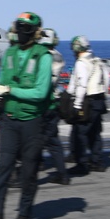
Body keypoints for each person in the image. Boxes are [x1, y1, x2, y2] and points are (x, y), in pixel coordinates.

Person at [0, 12, 51, 219]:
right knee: (3, 169)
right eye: (19, 28)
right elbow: (2, 81)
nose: (21, 33)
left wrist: (9, 90)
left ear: (35, 33)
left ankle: (24, 213)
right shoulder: (9, 53)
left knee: (28, 172)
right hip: (9, 120)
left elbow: (40, 92)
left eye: (26, 29)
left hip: (32, 121)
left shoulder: (43, 57)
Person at [68, 35, 108, 175]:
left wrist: (77, 105)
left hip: (88, 101)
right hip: (100, 99)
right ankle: (97, 162)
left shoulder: (81, 63)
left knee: (81, 133)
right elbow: (107, 78)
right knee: (95, 133)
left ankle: (81, 164)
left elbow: (81, 85)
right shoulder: (97, 60)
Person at [40, 28, 70, 184]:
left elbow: (48, 82)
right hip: (50, 100)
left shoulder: (51, 56)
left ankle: (62, 174)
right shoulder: (55, 55)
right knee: (47, 138)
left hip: (48, 101)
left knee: (50, 139)